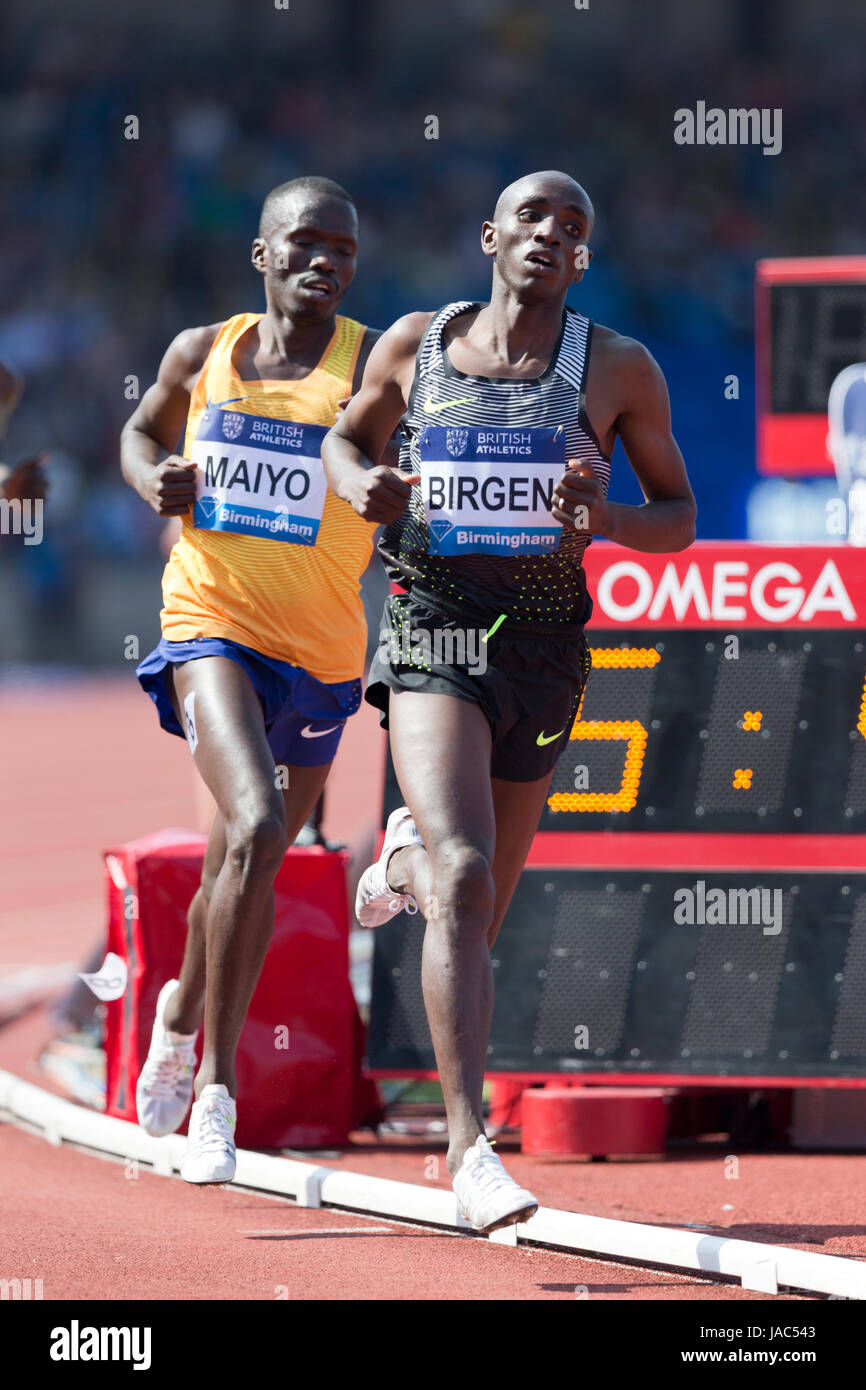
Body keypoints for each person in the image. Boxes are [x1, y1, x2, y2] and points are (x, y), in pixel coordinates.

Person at [322, 169, 696, 1233]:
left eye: (572, 226)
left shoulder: (616, 367)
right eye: (531, 216)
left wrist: (610, 519)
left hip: (538, 645)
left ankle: (398, 859)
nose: (550, 234)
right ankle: (465, 1147)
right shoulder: (411, 342)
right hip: (432, 617)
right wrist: (360, 485)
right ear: (488, 234)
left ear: (583, 259)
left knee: (478, 904)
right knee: (471, 873)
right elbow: (348, 441)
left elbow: (678, 515)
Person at [122, 176, 380, 1183]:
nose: (324, 262)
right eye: (304, 244)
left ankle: (179, 1008)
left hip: (320, 654)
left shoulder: (372, 368)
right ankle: (216, 1089)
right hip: (211, 627)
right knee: (261, 828)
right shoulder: (205, 350)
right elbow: (142, 432)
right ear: (262, 255)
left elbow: (399, 467)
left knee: (243, 853)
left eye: (343, 251)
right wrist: (153, 475)